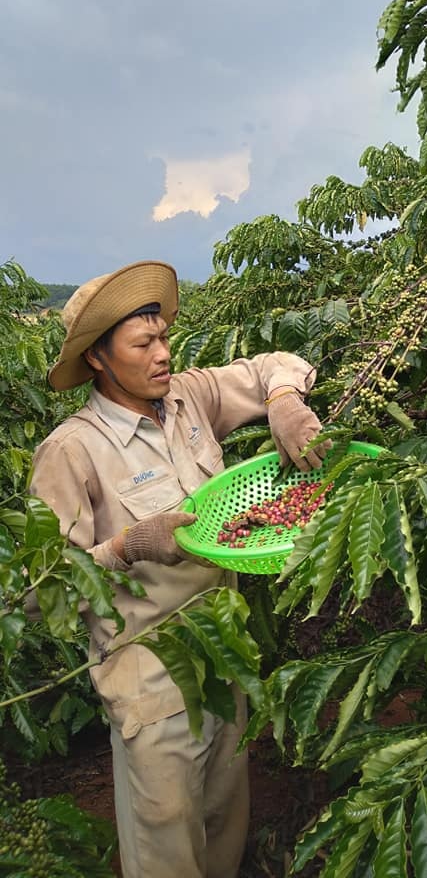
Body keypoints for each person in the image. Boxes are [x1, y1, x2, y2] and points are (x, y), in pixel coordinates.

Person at [29, 260, 330, 878]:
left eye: (165, 337)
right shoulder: (71, 451)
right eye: (144, 344)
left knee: (224, 825)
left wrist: (283, 402)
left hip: (223, 653)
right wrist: (125, 546)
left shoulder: (188, 399)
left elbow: (272, 365)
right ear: (98, 359)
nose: (164, 354)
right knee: (168, 847)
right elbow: (38, 596)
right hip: (150, 680)